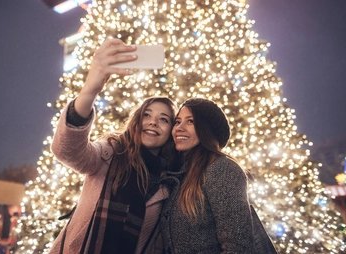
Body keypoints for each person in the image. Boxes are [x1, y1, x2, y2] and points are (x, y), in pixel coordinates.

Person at [48, 38, 177, 254]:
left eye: (164, 119)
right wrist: (90, 89)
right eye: (147, 115)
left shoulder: (169, 182)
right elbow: (67, 150)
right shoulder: (111, 152)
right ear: (136, 121)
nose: (153, 122)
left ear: (171, 131)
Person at [160, 98, 257, 253]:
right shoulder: (180, 173)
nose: (179, 128)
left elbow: (238, 247)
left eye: (190, 121)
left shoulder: (222, 169)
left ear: (207, 129)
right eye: (177, 122)